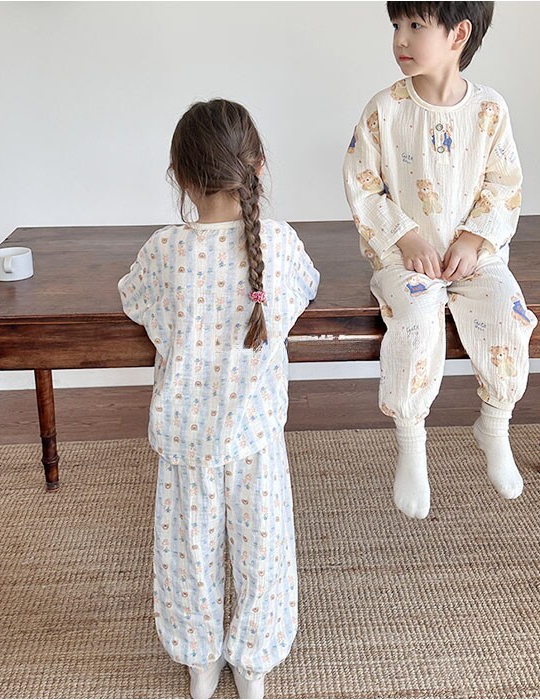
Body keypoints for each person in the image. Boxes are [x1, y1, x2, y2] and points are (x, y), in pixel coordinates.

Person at [118, 99, 319, 699]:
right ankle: (253, 666)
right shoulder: (279, 244)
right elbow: (306, 288)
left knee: (187, 554)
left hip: (186, 439)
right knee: (265, 550)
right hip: (255, 436)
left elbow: (134, 299)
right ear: (258, 165)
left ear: (180, 176)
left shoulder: (165, 251)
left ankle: (199, 663)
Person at [342, 1, 537, 520]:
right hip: (403, 259)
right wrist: (406, 239)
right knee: (416, 319)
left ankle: (494, 424)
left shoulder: (489, 110)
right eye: (396, 25)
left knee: (509, 313)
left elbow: (505, 185)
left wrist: (473, 241)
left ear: (459, 34)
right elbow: (363, 185)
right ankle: (411, 443)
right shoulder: (385, 109)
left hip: (478, 257)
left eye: (415, 25)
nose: (400, 39)